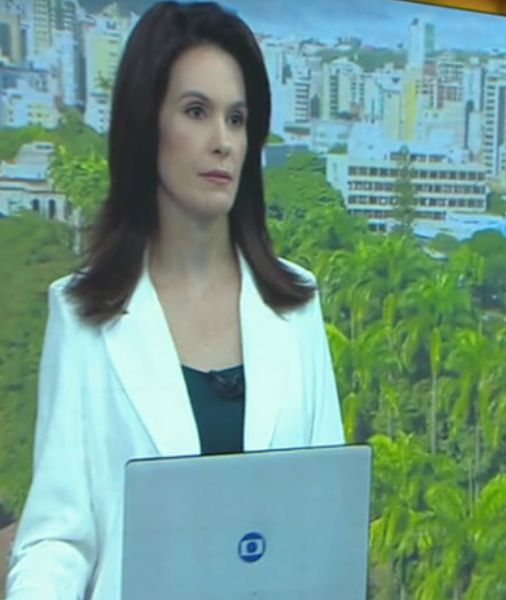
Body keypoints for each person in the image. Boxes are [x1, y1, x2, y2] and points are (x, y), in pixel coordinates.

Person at [5, 3, 345, 598]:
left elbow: (324, 525)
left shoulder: (296, 306)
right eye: (197, 112)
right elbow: (59, 539)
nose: (223, 143)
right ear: (146, 126)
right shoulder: (84, 314)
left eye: (237, 119)